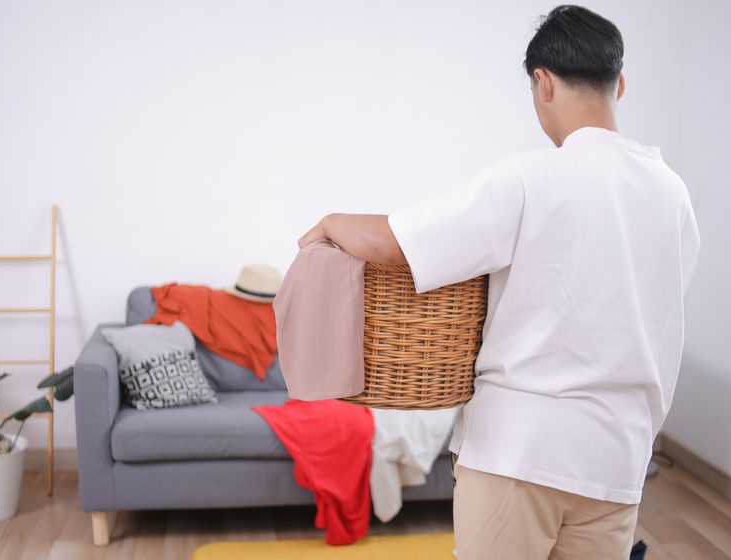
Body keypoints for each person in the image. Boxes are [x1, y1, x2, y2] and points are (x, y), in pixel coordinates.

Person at [297, 4, 700, 559]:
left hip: (521, 450)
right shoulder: (672, 194)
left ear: (542, 83)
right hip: (617, 456)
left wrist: (332, 222)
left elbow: (403, 242)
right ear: (620, 84)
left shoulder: (531, 178)